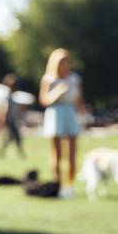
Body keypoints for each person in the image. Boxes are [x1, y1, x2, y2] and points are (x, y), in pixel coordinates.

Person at [39, 48, 85, 199]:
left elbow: (79, 99)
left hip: (70, 112)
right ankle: (57, 185)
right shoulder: (49, 79)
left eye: (67, 61)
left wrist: (82, 113)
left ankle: (70, 185)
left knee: (72, 154)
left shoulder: (75, 79)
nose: (65, 64)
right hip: (55, 112)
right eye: (62, 62)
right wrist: (56, 93)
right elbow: (43, 100)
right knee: (57, 154)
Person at [0, 74, 26, 159]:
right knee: (15, 137)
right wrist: (4, 119)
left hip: (12, 120)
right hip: (9, 120)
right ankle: (19, 153)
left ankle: (1, 153)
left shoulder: (12, 95)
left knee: (8, 138)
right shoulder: (8, 94)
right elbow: (5, 107)